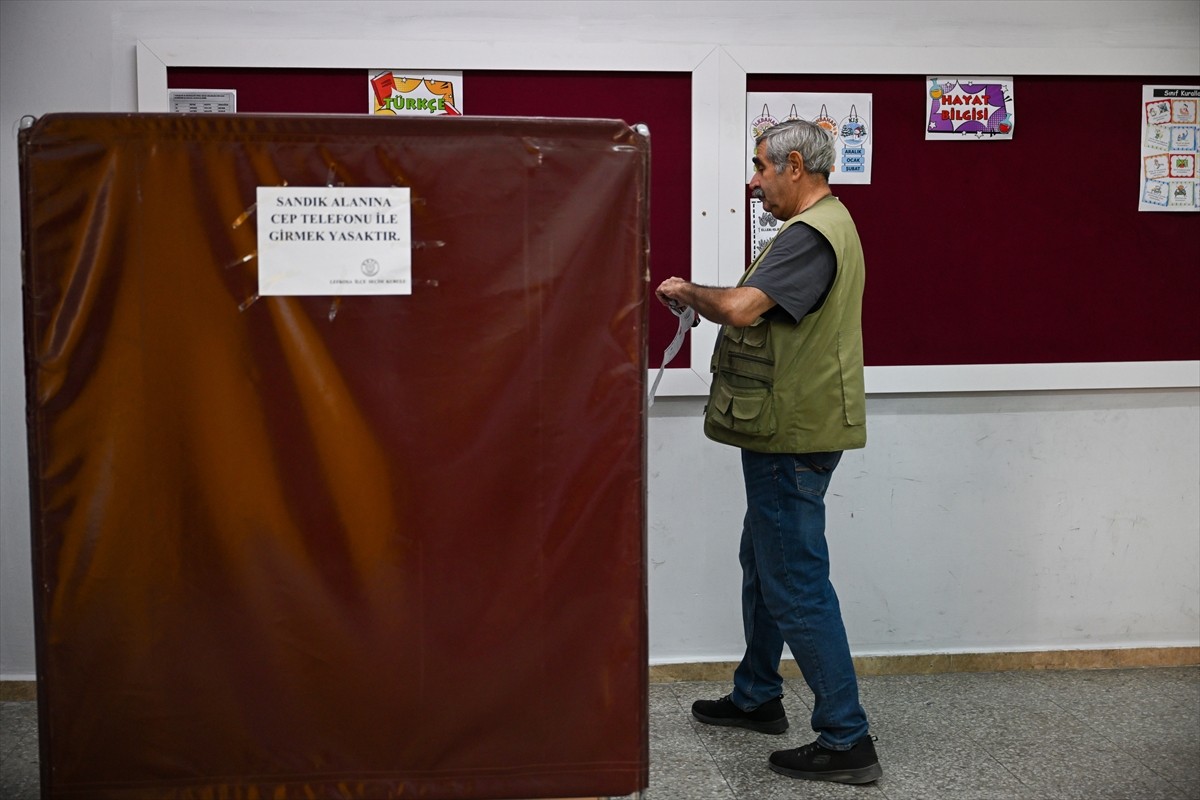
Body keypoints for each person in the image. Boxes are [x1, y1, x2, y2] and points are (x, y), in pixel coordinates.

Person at [655, 118, 881, 785]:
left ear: (794, 164)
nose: (754, 183)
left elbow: (741, 308)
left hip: (792, 435)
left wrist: (686, 291)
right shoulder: (823, 225)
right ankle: (756, 696)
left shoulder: (812, 234)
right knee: (764, 560)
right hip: (792, 427)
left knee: (795, 582)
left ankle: (847, 739)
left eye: (760, 167)